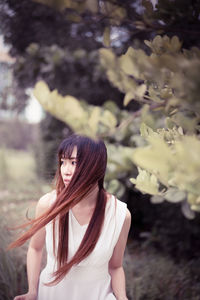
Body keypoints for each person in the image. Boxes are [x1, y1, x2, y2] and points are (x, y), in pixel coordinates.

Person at [10, 134, 131, 300]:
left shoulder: (120, 215)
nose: (65, 171)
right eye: (63, 162)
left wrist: (122, 297)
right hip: (53, 294)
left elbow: (116, 267)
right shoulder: (48, 204)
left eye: (73, 162)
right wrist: (32, 291)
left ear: (95, 165)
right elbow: (35, 248)